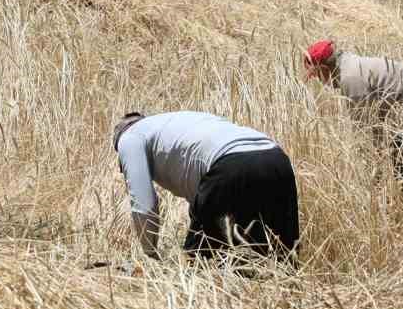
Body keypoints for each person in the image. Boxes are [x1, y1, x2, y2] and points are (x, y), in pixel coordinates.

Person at [112, 110, 299, 261]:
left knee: (202, 271)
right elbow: (202, 192)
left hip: (231, 164)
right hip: (277, 160)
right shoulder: (177, 123)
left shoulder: (130, 137)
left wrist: (149, 257)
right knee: (277, 263)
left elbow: (144, 206)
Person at [304, 39, 403, 199]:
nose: (321, 82)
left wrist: (370, 183)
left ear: (324, 69)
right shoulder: (353, 63)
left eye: (318, 76)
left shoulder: (351, 79)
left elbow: (366, 135)